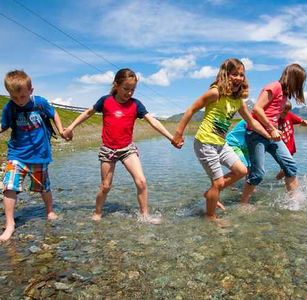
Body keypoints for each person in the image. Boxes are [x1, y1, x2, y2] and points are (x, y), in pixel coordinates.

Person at [63, 68, 179, 224]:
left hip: (127, 149)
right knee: (105, 186)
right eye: (126, 88)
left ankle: (145, 215)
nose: (129, 93)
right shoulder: (106, 101)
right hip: (108, 150)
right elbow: (88, 113)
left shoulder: (136, 105)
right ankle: (97, 212)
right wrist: (71, 127)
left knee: (141, 181)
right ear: (116, 85)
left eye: (133, 90)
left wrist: (171, 137)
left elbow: (153, 121)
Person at [172, 58, 270, 223]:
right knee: (217, 182)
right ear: (226, 74)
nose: (239, 78)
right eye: (234, 74)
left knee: (242, 171)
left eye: (241, 75)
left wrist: (269, 133)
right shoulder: (215, 93)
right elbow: (191, 109)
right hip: (205, 142)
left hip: (221, 144)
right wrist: (178, 133)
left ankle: (212, 192)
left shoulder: (238, 100)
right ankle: (210, 217)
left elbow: (252, 122)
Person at [0, 70, 68, 242]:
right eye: (14, 97)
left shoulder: (40, 102)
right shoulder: (10, 107)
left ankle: (50, 211)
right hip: (17, 154)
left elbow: (54, 114)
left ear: (31, 90)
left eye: (22, 96)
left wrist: (61, 130)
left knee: (43, 187)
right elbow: (4, 125)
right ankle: (10, 224)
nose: (19, 101)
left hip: (40, 154)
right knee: (9, 185)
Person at [240, 63, 307, 204]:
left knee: (290, 166)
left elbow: (276, 114)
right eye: (300, 82)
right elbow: (257, 109)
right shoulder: (274, 86)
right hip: (257, 134)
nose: (300, 86)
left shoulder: (285, 94)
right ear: (293, 78)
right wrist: (272, 128)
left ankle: (294, 202)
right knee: (258, 174)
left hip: (272, 136)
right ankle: (243, 204)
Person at [276, 101, 307, 180]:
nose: (285, 112)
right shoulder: (275, 118)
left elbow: (301, 121)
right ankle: (277, 179)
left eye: (288, 110)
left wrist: (304, 122)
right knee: (288, 166)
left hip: (290, 146)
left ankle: (282, 181)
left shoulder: (289, 115)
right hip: (280, 147)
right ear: (279, 109)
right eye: (284, 109)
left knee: (285, 167)